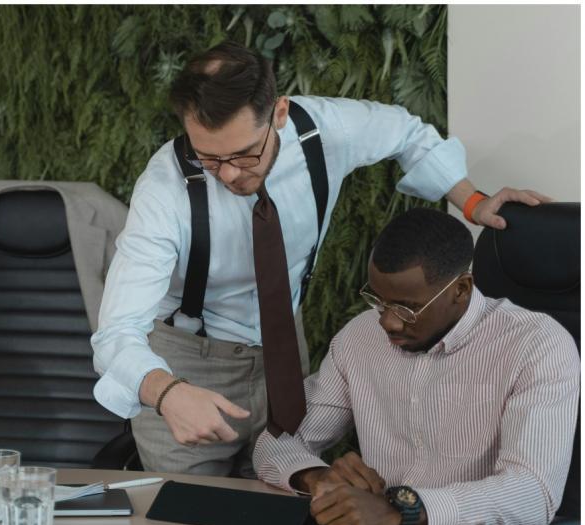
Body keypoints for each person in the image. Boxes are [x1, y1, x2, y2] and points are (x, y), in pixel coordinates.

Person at [90, 40, 550, 476]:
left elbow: (410, 135)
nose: (228, 173)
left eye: (245, 154)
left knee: (284, 509)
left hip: (286, 354)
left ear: (280, 112)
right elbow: (116, 333)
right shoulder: (164, 189)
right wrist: (168, 393)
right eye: (210, 159)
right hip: (187, 361)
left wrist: (472, 202)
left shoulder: (324, 130)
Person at [253, 207, 579, 525]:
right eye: (378, 300)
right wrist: (320, 479)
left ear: (461, 289)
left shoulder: (536, 345)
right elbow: (278, 441)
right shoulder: (360, 338)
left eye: (408, 309)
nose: (389, 323)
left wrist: (404, 510)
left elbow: (532, 494)